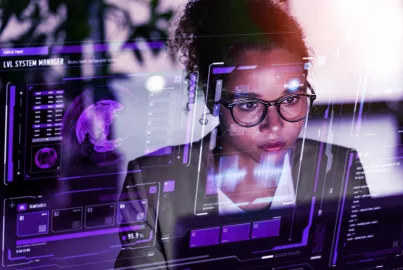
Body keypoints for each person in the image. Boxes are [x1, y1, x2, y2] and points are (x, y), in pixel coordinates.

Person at [114, 0, 365, 268]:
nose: (274, 125)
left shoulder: (340, 171)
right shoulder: (152, 184)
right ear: (213, 98)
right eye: (248, 105)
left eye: (291, 99)